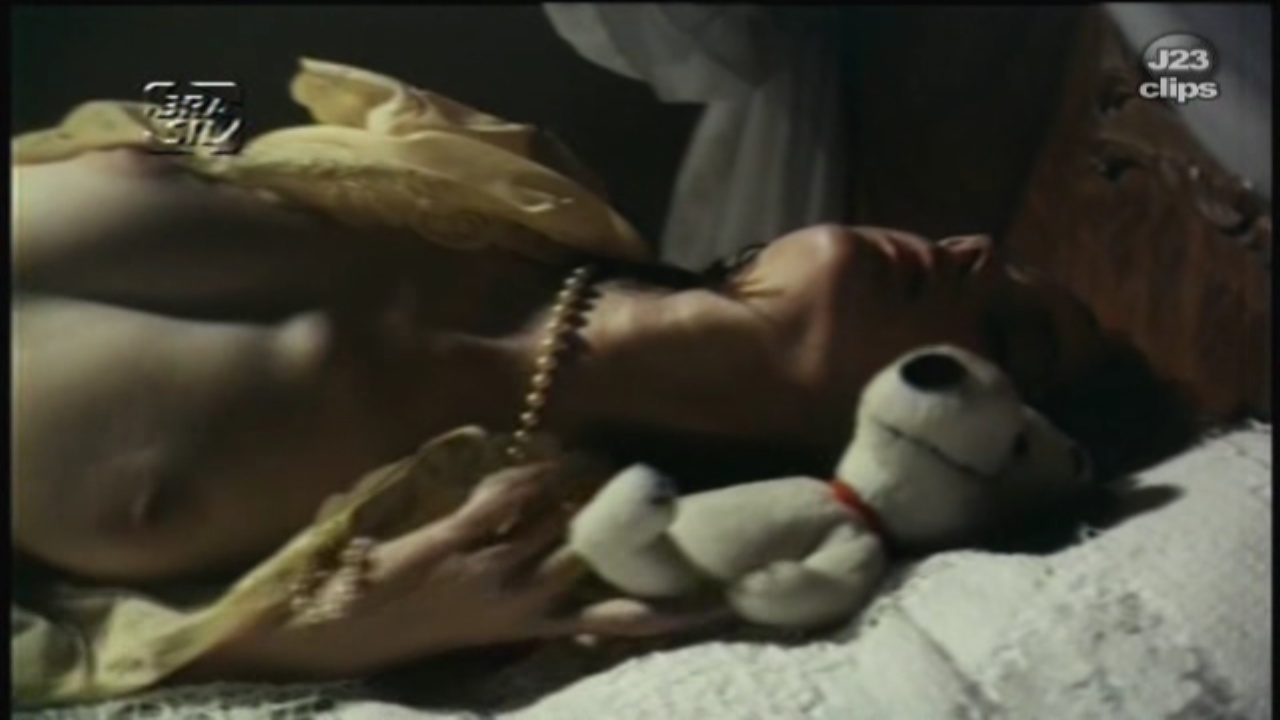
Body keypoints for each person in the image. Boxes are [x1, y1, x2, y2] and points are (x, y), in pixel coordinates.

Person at [11, 59, 1175, 707]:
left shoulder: (490, 547)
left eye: (1011, 328)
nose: (971, 251)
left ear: (935, 442)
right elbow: (185, 105)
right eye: (994, 255)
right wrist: (182, 123)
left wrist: (298, 642)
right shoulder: (495, 180)